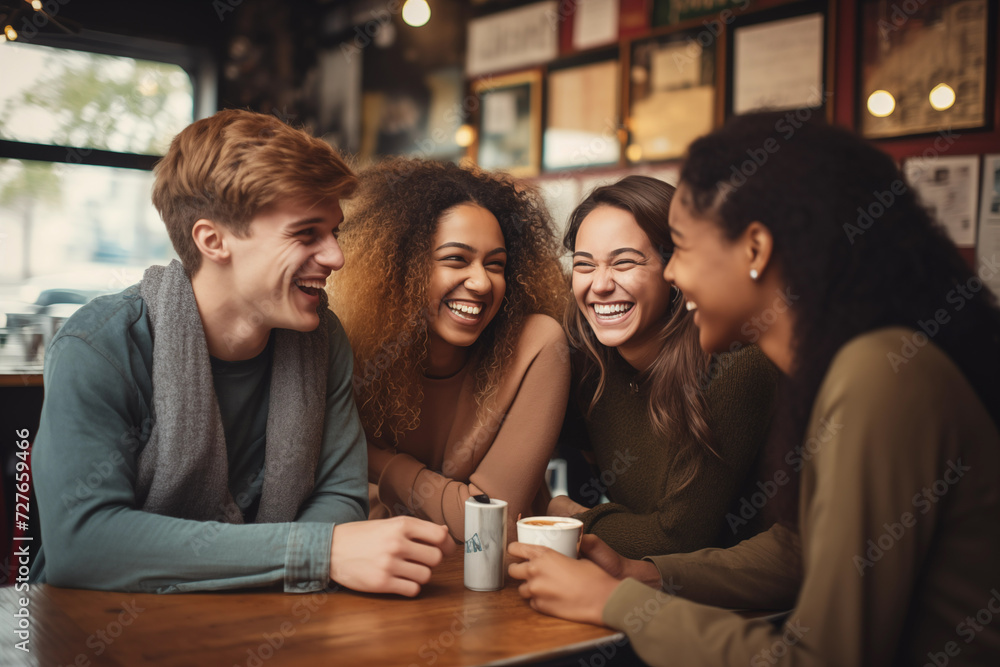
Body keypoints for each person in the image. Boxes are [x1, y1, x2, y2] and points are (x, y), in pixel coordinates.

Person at [508, 112, 1000, 665]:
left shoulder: (876, 375)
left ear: (755, 250)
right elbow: (797, 551)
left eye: (684, 249)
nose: (672, 275)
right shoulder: (849, 364)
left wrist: (620, 603)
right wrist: (641, 575)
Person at [31, 109, 453, 596]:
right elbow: (81, 545)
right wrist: (318, 553)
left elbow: (338, 495)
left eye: (333, 232)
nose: (336, 257)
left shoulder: (322, 337)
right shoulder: (99, 346)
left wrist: (299, 558)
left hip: (262, 623)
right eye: (305, 234)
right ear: (213, 241)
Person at [327, 157, 569, 542]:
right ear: (403, 266)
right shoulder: (351, 349)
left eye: (496, 265)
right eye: (456, 259)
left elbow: (492, 528)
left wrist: (378, 463)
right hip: (387, 577)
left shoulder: (536, 345)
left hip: (505, 583)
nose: (481, 283)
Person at [549, 176, 778, 559]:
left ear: (675, 270)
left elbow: (676, 541)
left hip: (748, 607)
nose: (600, 285)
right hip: (645, 588)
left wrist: (570, 517)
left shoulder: (733, 366)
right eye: (585, 265)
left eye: (624, 263)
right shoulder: (591, 365)